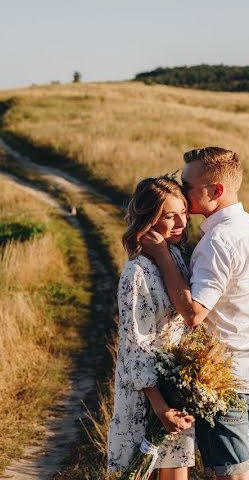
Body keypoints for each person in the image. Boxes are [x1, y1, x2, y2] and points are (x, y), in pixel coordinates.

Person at [142, 147, 249, 480]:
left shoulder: (219, 241)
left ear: (216, 191)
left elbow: (193, 313)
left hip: (229, 377)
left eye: (187, 185)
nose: (181, 191)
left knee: (232, 475)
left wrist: (161, 255)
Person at [107, 177, 196, 480]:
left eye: (184, 211)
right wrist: (159, 406)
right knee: (141, 472)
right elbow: (136, 348)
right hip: (147, 395)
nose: (182, 221)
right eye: (170, 216)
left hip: (173, 388)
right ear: (149, 220)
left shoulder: (173, 256)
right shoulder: (136, 273)